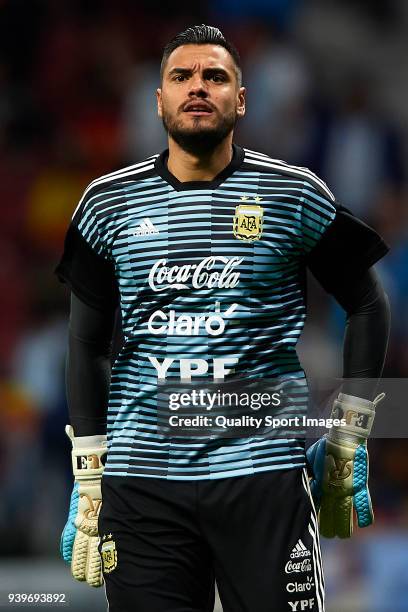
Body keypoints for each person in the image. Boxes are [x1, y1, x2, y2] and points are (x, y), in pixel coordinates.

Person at [55, 24, 390, 612]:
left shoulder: (293, 194)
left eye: (215, 76)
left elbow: (367, 302)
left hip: (264, 479)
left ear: (241, 99)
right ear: (158, 99)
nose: (197, 87)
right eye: (180, 76)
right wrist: (88, 477)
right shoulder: (106, 204)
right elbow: (85, 344)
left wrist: (350, 433)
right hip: (143, 487)